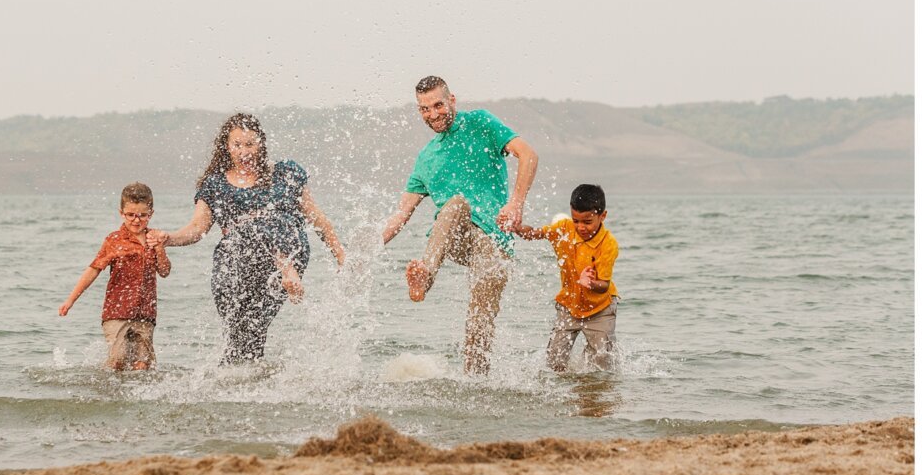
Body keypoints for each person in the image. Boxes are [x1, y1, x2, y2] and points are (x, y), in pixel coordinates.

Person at [146, 113, 345, 365]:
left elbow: (317, 218)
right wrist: (168, 239)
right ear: (226, 147)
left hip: (283, 258)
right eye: (237, 145)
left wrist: (341, 256)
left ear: (260, 143)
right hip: (236, 265)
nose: (244, 151)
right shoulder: (216, 184)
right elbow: (197, 228)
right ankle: (240, 382)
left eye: (249, 144)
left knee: (262, 222)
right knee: (243, 335)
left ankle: (288, 270)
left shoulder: (285, 173)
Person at [381, 76, 538, 375]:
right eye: (424, 109)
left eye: (438, 105)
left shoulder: (480, 123)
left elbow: (528, 155)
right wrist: (364, 250)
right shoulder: (426, 157)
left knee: (479, 321)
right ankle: (425, 276)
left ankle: (475, 385)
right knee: (456, 204)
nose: (433, 114)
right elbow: (401, 214)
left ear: (452, 100)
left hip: (494, 239)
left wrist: (516, 203)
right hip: (453, 238)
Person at [59, 182, 172, 371]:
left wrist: (160, 247)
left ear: (150, 214)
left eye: (142, 216)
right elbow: (93, 270)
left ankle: (139, 399)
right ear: (121, 213)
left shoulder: (154, 238)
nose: (136, 220)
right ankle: (112, 396)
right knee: (117, 361)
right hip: (116, 312)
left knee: (143, 365)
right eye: (130, 215)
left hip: (146, 313)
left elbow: (165, 271)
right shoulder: (114, 240)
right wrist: (70, 301)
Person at [514, 183, 620, 372]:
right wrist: (517, 228)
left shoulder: (608, 244)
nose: (581, 227)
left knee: (602, 364)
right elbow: (536, 233)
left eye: (587, 222)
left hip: (600, 310)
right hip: (569, 305)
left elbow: (604, 285)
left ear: (602, 216)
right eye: (576, 220)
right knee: (554, 361)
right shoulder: (564, 228)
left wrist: (590, 283)